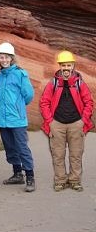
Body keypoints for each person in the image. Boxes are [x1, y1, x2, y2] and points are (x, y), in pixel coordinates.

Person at [39, 50, 94, 192]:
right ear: (60, 66)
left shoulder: (79, 83)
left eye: (68, 65)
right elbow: (44, 102)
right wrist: (50, 121)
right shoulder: (54, 83)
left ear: (73, 66)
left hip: (76, 123)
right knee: (58, 155)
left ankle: (75, 180)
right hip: (56, 124)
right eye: (63, 65)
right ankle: (60, 181)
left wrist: (83, 120)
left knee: (76, 154)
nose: (66, 68)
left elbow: (89, 102)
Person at [0, 43, 36, 192]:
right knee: (10, 148)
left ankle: (30, 176)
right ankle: (17, 174)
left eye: (6, 57)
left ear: (12, 58)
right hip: (3, 119)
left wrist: (18, 106)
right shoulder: (0, 76)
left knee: (22, 147)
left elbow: (29, 94)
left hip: (17, 119)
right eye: (1, 58)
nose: (4, 60)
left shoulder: (20, 73)